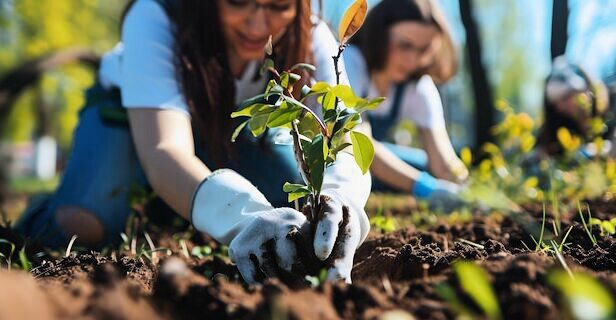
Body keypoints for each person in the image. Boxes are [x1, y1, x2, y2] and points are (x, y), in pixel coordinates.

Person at [15, 0, 371, 284]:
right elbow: (165, 150)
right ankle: (44, 213)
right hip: (132, 122)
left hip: (223, 131)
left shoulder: (311, 35)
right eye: (238, 2)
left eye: (278, 5)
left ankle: (168, 206)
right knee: (82, 225)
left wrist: (341, 200)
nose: (258, 25)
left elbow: (344, 133)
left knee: (290, 206)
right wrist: (245, 216)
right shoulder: (157, 14)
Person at [342, 0, 468, 210]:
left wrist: (470, 189)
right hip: (339, 158)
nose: (412, 61)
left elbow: (442, 160)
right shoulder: (350, 63)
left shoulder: (417, 87)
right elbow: (358, 143)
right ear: (379, 36)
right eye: (404, 46)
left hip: (375, 165)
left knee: (421, 163)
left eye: (424, 49)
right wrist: (424, 187)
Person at [538, 56, 613, 158]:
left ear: (587, 89)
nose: (560, 107)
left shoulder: (612, 108)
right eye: (555, 103)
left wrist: (602, 150)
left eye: (565, 97)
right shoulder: (561, 125)